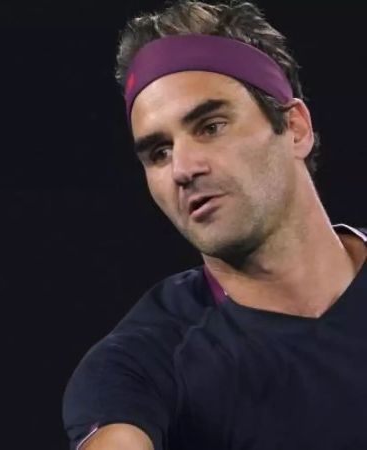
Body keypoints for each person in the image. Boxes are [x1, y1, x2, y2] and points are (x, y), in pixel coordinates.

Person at [62, 1, 367, 449]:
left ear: (295, 128)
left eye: (210, 126)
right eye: (158, 152)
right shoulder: (141, 362)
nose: (182, 168)